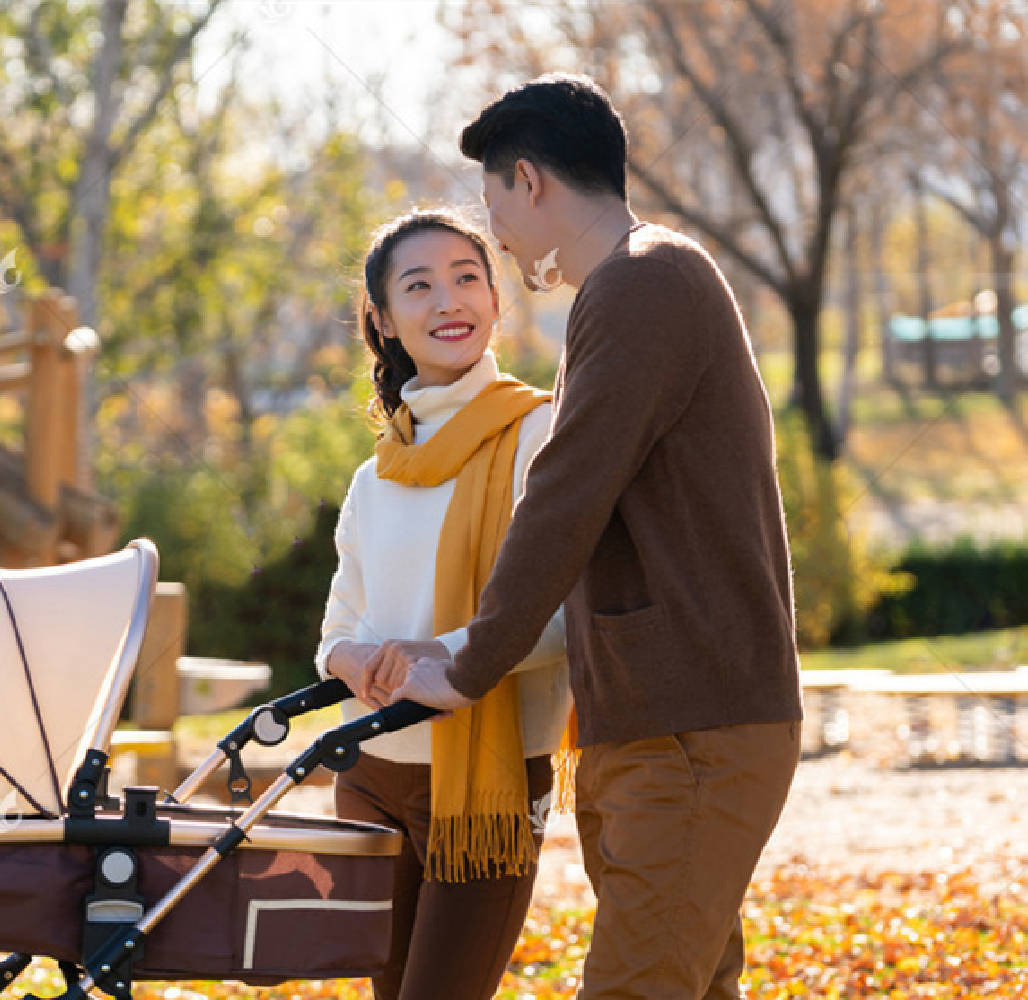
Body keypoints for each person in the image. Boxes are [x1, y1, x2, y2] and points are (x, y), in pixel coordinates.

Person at [385, 74, 804, 999]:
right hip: (656, 721)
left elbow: (564, 499)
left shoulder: (645, 284)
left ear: (526, 180)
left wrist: (468, 667)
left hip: (693, 724)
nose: (493, 229)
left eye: (493, 198)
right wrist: (456, 646)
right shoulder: (635, 286)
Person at [316, 207, 573, 1000]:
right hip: (368, 773)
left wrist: (444, 656)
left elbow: (565, 611)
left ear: (496, 300)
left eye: (467, 279)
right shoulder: (377, 473)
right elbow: (337, 627)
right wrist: (351, 658)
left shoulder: (542, 434)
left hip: (485, 784)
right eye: (418, 286)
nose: (447, 302)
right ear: (384, 321)